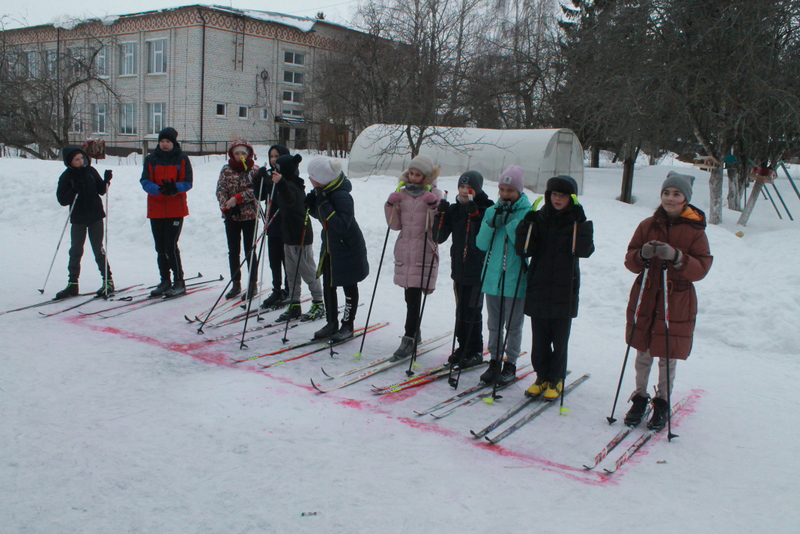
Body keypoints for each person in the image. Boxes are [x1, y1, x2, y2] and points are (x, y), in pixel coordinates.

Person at [622, 171, 712, 430]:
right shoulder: (647, 224)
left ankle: (662, 402)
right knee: (643, 349)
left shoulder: (695, 230)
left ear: (686, 199)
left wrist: (677, 257)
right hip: (648, 293)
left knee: (667, 352)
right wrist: (641, 253)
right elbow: (630, 261)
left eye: (676, 194)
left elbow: (702, 268)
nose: (670, 199)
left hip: (676, 298)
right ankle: (639, 397)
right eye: (666, 193)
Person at [515, 175, 595, 400]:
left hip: (564, 289)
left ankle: (557, 378)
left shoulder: (576, 222)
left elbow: (584, 251)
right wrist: (526, 225)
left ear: (572, 198)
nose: (557, 199)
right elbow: (524, 250)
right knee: (539, 340)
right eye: (554, 194)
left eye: (563, 195)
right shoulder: (540, 218)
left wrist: (583, 225)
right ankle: (542, 376)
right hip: (539, 286)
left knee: (560, 340)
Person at [385, 154, 443, 360]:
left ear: (426, 176)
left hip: (423, 251)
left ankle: (409, 337)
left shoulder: (435, 194)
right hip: (405, 250)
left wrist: (434, 206)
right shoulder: (402, 194)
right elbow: (395, 225)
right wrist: (390, 205)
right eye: (411, 173)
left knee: (414, 297)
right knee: (409, 295)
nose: (413, 177)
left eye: (418, 174)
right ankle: (414, 331)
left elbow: (437, 228)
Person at [475, 166, 530, 384]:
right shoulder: (491, 211)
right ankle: (495, 360)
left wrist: (510, 224)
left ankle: (511, 363)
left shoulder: (527, 213)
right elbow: (480, 244)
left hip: (515, 279)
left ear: (519, 191)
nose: (506, 194)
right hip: (492, 277)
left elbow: (525, 247)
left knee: (513, 325)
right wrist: (491, 223)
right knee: (494, 323)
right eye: (502, 189)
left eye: (510, 190)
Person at [305, 156, 369, 341]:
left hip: (347, 248)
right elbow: (326, 220)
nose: (309, 179)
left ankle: (347, 325)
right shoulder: (325, 192)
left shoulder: (342, 196)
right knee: (328, 285)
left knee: (349, 286)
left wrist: (323, 205)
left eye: (312, 176)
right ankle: (331, 322)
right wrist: (313, 207)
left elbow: (341, 224)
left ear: (323, 178)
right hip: (331, 247)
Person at [435, 171, 493, 368]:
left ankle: (475, 349)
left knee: (473, 310)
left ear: (476, 190)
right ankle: (463, 346)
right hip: (459, 268)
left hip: (478, 270)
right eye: (461, 187)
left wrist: (475, 215)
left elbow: (485, 236)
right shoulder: (455, 209)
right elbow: (438, 236)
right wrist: (440, 214)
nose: (464, 192)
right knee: (460, 310)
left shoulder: (486, 209)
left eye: (468, 189)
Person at [268, 153, 325, 321]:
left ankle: (318, 302)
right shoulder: (286, 184)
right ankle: (294, 304)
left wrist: (282, 183)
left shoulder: (292, 186)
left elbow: (290, 200)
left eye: (277, 169)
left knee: (307, 271)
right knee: (291, 273)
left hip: (300, 236)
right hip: (288, 236)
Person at [140, 127, 193, 297]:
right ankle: (165, 280)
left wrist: (174, 188)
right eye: (162, 141)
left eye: (168, 142)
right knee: (160, 247)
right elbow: (145, 181)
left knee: (171, 246)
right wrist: (159, 189)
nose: (164, 144)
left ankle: (179, 281)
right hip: (156, 209)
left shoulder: (182, 159)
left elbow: (188, 182)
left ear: (173, 143)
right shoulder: (151, 159)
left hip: (175, 209)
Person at [54, 146, 114, 299]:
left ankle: (108, 281)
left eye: (82, 158)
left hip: (95, 215)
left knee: (98, 248)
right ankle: (73, 283)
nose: (81, 161)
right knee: (75, 250)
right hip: (78, 217)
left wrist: (106, 181)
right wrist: (74, 190)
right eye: (77, 160)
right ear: (69, 162)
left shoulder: (91, 171)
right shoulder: (66, 177)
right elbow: (62, 199)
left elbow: (101, 190)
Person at [216, 138, 261, 300]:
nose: (240, 156)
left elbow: (257, 192)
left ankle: (252, 284)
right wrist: (226, 206)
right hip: (232, 216)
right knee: (233, 251)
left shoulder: (254, 170)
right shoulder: (226, 170)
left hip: (249, 216)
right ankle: (236, 283)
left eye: (243, 153)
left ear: (248, 154)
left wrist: (238, 198)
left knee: (250, 251)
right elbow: (220, 190)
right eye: (237, 153)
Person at [252, 144, 290, 309]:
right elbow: (260, 196)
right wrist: (258, 179)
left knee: (287, 259)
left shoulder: (289, 174)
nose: (274, 160)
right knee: (274, 258)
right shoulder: (268, 175)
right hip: (272, 222)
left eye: (277, 156)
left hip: (286, 222)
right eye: (271, 156)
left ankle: (289, 290)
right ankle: (276, 288)